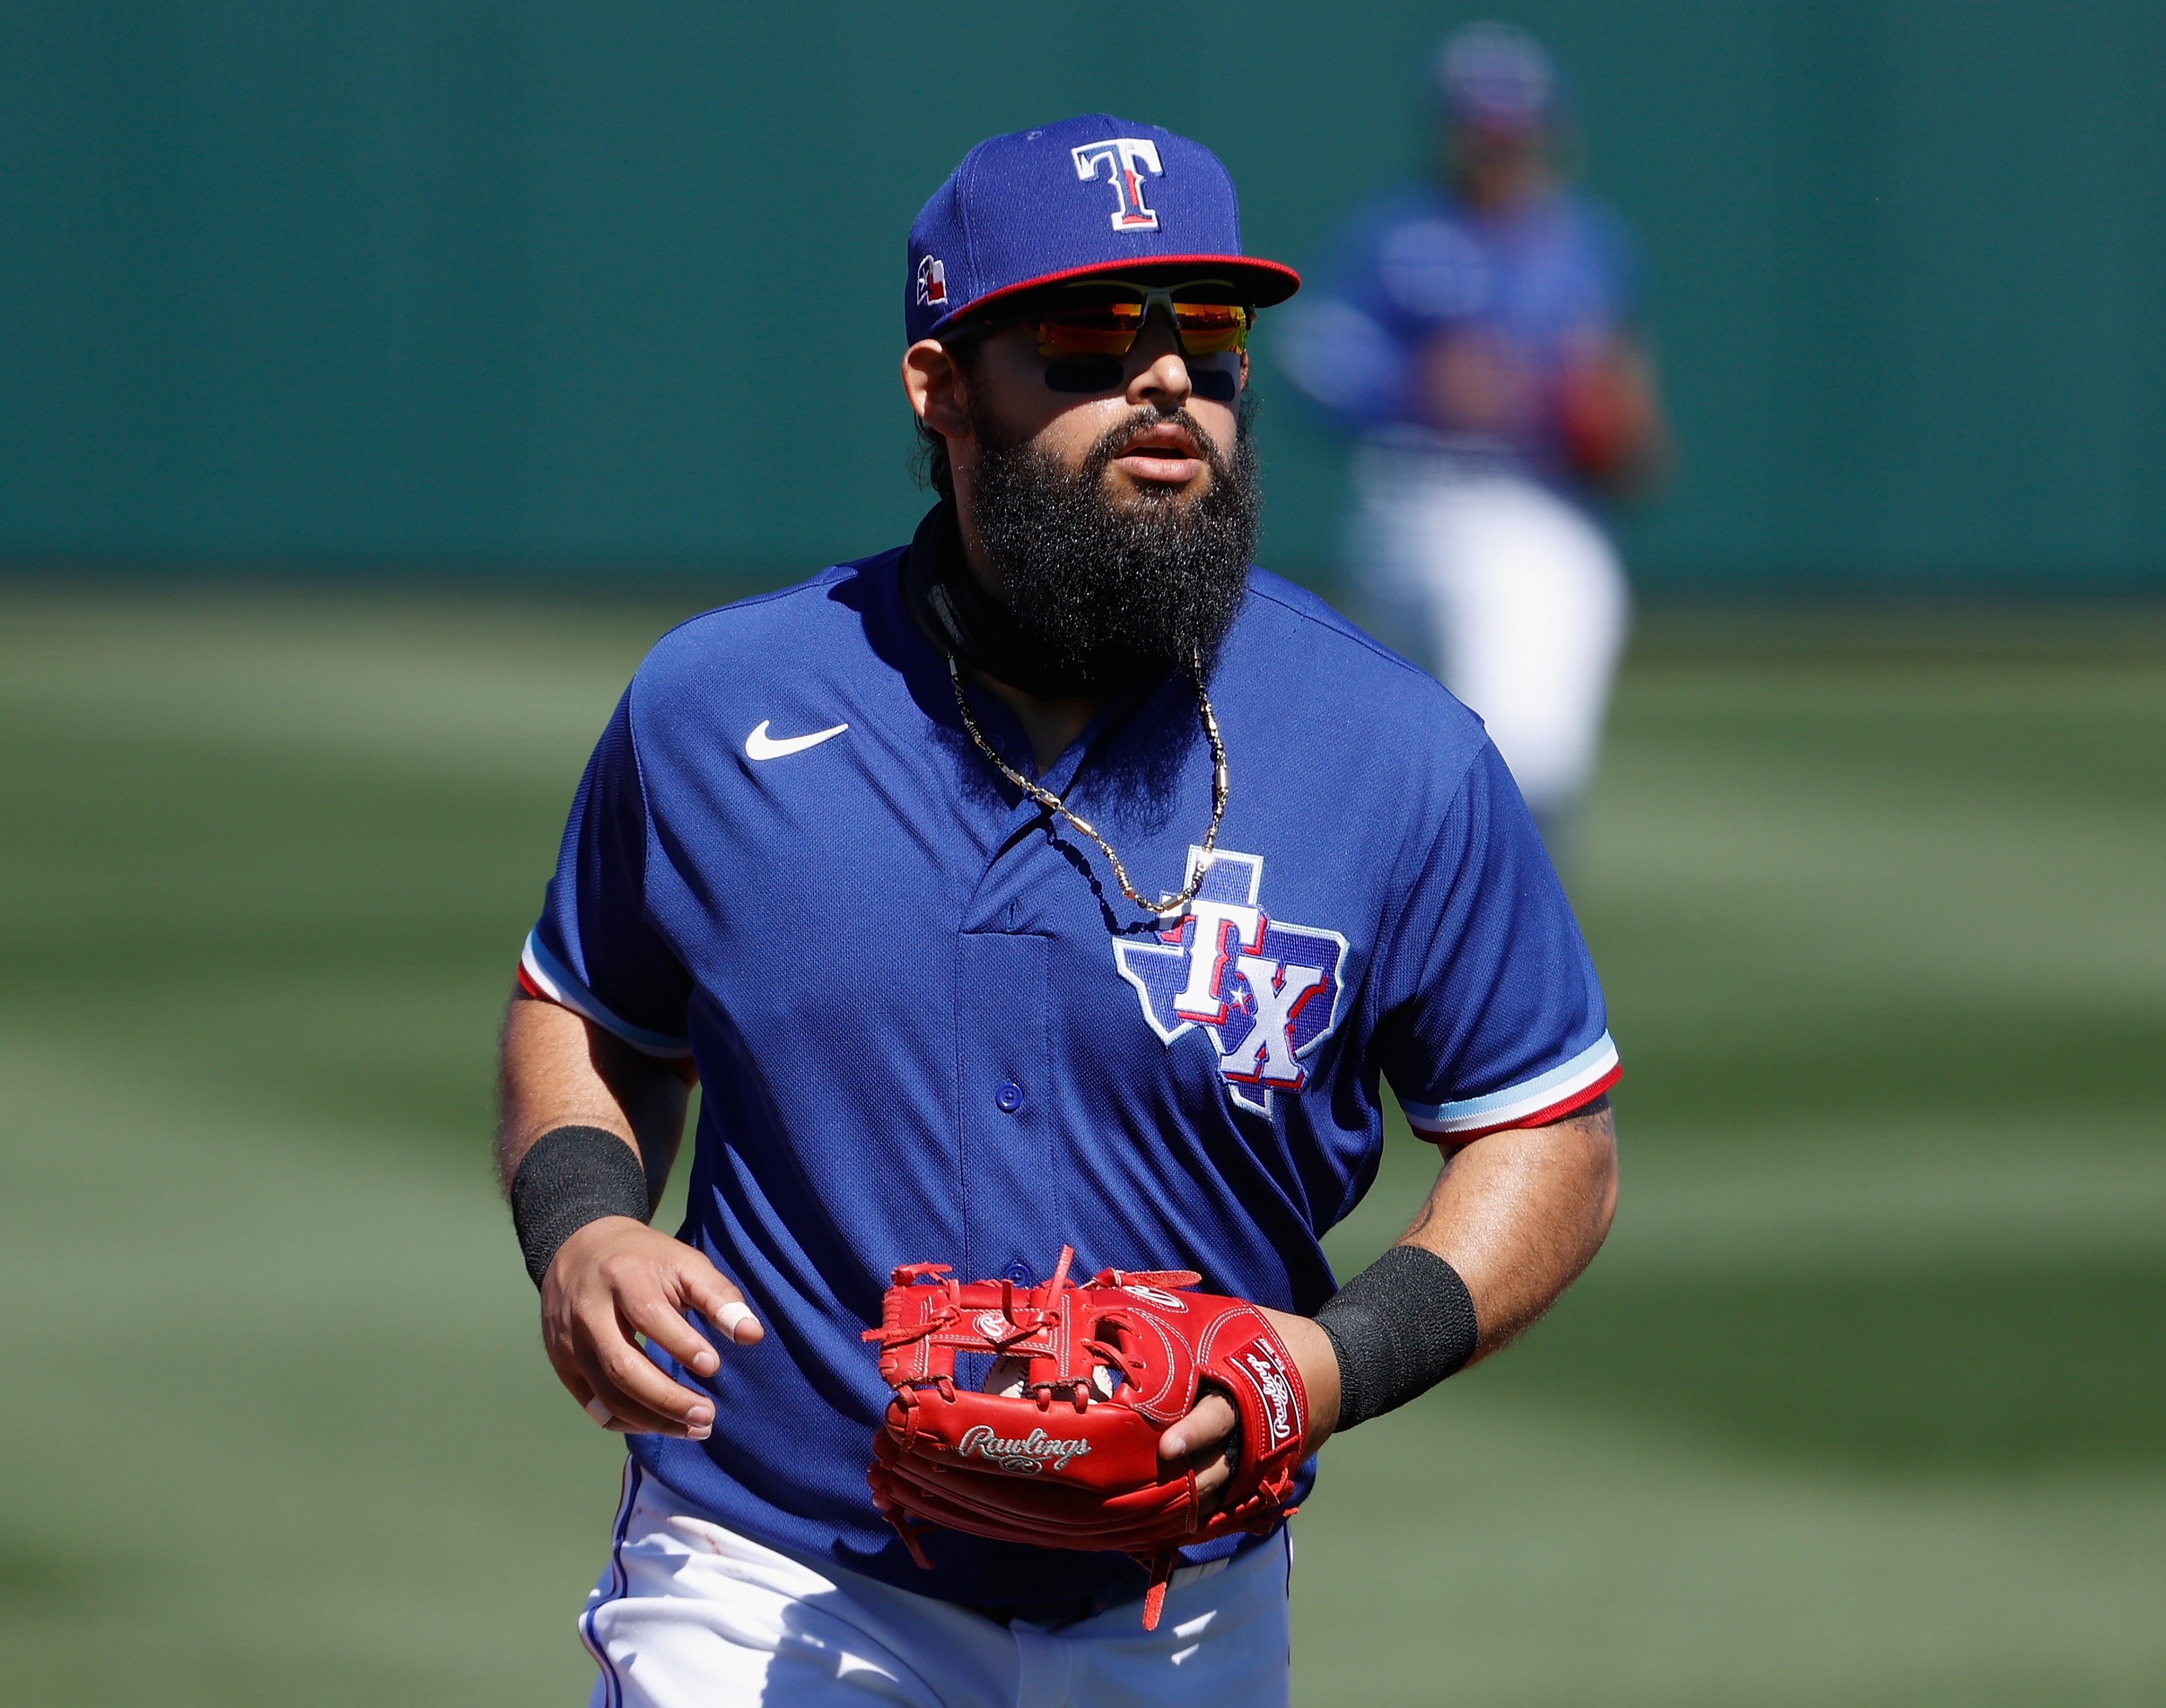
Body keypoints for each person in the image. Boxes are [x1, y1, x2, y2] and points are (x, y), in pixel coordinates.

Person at [495, 115, 1620, 1708]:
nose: (1166, 382)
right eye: (1092, 334)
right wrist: (584, 1223)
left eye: (1209, 336)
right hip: (772, 1583)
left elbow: (1546, 1137)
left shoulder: (1400, 755)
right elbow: (586, 1009)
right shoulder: (719, 707)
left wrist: (1333, 1361)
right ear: (939, 386)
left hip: (1190, 1615)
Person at [1281, 22, 1670, 850]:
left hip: (1534, 514)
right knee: (1394, 768)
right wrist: (1413, 386)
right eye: (1481, 127)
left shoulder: (1589, 248)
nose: (1497, 145)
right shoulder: (1397, 233)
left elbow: (1629, 412)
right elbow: (1310, 358)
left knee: (1526, 762)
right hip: (1406, 502)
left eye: (1514, 128)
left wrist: (1620, 435)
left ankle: (1501, 954)